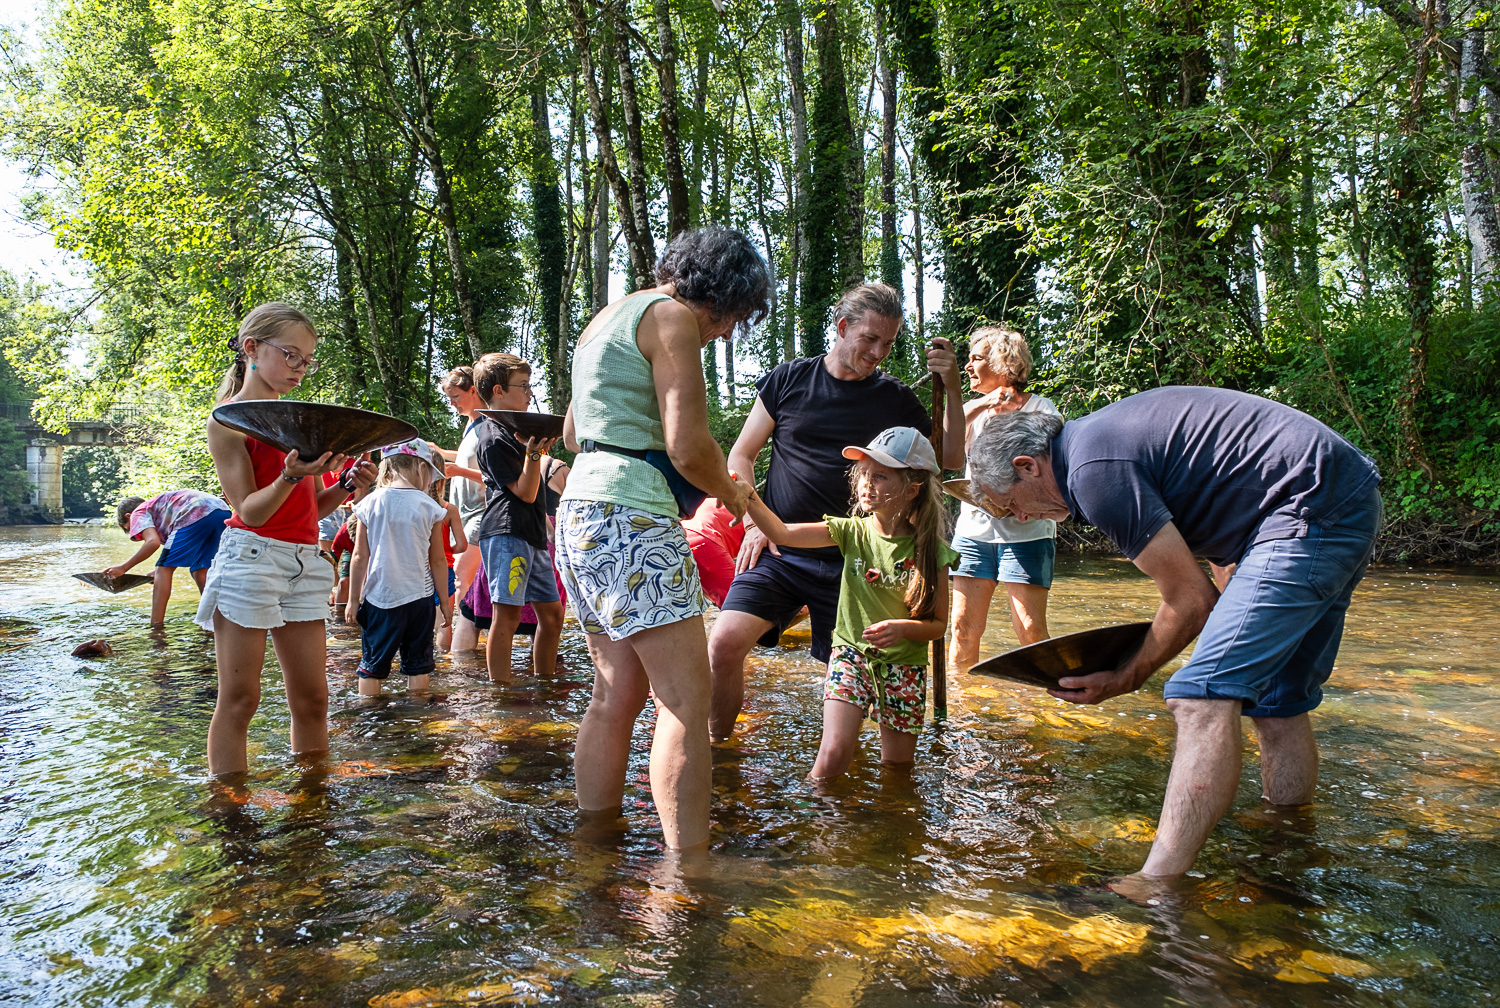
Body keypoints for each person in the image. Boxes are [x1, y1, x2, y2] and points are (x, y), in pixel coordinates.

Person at [966, 386, 1381, 887]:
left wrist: (1126, 675)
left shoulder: (1093, 472)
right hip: (1339, 496)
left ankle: (1157, 883)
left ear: (1029, 465)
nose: (1024, 518)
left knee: (1198, 696)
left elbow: (1191, 601)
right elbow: (1222, 520)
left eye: (1012, 505)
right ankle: (1287, 842)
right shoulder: (1099, 442)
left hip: (1307, 508)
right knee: (1278, 699)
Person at [558, 225, 762, 851]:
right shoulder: (671, 316)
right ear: (720, 293)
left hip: (580, 512)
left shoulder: (604, 321)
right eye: (732, 317)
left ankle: (594, 844)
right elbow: (688, 444)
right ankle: (687, 873)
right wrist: (733, 495)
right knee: (685, 700)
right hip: (631, 516)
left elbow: (572, 433)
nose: (726, 331)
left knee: (615, 692)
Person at [708, 282, 966, 741]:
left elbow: (948, 461)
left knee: (853, 681)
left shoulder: (897, 400)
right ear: (843, 327)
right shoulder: (789, 380)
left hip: (860, 562)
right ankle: (718, 752)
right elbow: (741, 455)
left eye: (889, 343)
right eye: (870, 339)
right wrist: (752, 522)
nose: (879, 353)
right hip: (782, 547)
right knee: (722, 646)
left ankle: (852, 790)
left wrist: (951, 386)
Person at [197, 302, 377, 776]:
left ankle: (312, 803)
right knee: (240, 699)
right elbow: (249, 511)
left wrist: (348, 485)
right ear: (251, 349)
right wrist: (289, 476)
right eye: (291, 355)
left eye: (307, 359)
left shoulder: (302, 422)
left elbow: (311, 511)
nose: (300, 368)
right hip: (250, 558)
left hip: (305, 559)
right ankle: (230, 811)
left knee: (314, 699)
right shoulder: (229, 419)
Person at [739, 427, 957, 779]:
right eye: (863, 475)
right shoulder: (851, 531)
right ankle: (822, 826)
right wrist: (747, 496)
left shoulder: (932, 552)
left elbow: (938, 626)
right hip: (850, 656)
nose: (866, 484)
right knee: (833, 753)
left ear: (911, 490)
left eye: (881, 476)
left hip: (904, 667)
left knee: (897, 768)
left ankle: (889, 830)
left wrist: (903, 628)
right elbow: (781, 533)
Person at [949, 327, 1063, 670]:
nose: (968, 367)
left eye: (976, 359)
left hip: (1028, 534)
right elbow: (938, 450)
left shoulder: (1042, 409)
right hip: (972, 533)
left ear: (1004, 362)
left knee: (1030, 630)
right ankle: (960, 709)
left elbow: (1057, 472)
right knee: (962, 629)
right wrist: (982, 404)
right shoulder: (970, 410)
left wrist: (1035, 503)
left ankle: (1045, 705)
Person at [472, 352, 563, 681]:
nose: (529, 392)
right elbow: (524, 492)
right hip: (507, 533)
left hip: (532, 533)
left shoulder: (515, 432)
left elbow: (533, 491)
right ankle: (501, 693)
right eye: (523, 386)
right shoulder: (493, 437)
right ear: (498, 391)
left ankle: (545, 683)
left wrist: (535, 452)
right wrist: (535, 453)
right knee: (507, 616)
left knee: (552, 616)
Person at [347, 440, 451, 696]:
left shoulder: (370, 502)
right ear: (420, 466)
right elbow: (438, 560)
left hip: (380, 598)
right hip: (420, 599)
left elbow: (360, 556)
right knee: (418, 666)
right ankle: (415, 719)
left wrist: (352, 600)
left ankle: (370, 718)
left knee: (371, 666)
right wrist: (446, 604)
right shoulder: (430, 507)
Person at [107, 489, 232, 627]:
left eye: (131, 528)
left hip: (195, 512)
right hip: (222, 511)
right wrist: (158, 575)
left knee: (163, 568)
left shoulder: (139, 512)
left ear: (129, 516)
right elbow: (175, 552)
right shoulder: (160, 510)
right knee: (200, 570)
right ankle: (218, 622)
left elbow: (152, 543)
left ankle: (156, 626)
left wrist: (124, 567)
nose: (139, 534)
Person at [431, 366, 488, 653]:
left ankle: (458, 651)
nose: (452, 404)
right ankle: (457, 645)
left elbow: (497, 475)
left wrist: (457, 471)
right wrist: (441, 453)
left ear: (474, 391)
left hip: (482, 513)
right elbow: (469, 458)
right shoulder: (471, 423)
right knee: (466, 581)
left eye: (456, 396)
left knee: (461, 579)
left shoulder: (489, 423)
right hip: (466, 514)